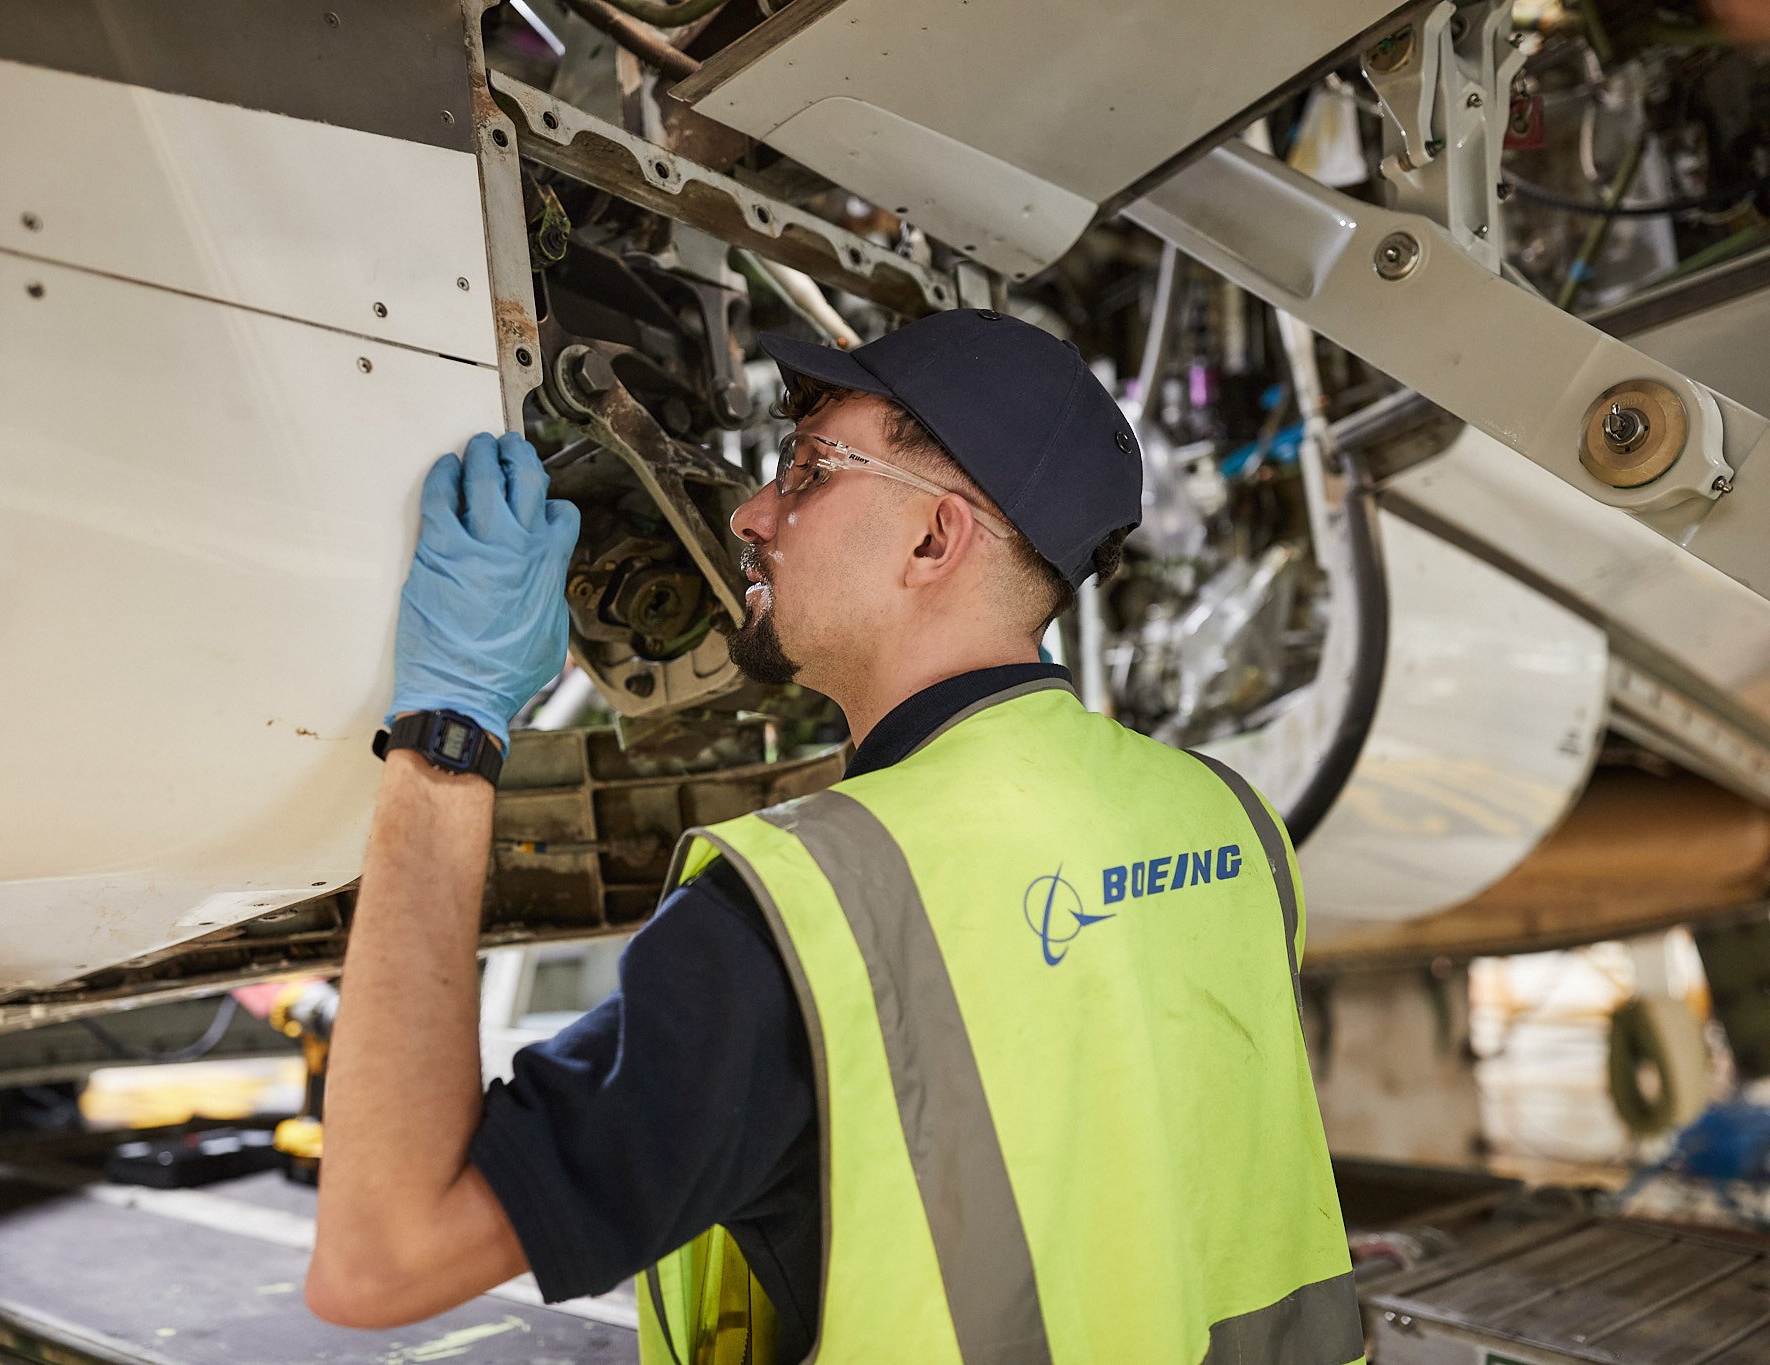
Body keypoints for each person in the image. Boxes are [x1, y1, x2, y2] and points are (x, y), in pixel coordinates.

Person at [304, 309, 1363, 1365]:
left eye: (808, 471)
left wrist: (451, 731)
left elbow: (381, 1260)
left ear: (932, 538)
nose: (752, 514)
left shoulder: (809, 913)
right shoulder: (1227, 820)